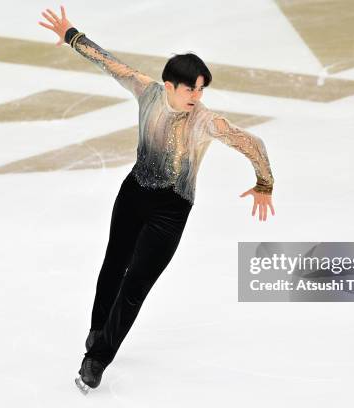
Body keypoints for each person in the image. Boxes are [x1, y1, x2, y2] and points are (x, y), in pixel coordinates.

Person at [38, 5, 275, 394]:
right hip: (134, 194)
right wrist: (71, 35)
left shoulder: (205, 121)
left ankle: (96, 360)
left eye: (201, 89)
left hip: (172, 209)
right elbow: (108, 63)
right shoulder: (147, 91)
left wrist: (264, 183)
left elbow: (252, 143)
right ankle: (98, 331)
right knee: (113, 266)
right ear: (169, 85)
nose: (196, 97)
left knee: (135, 286)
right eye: (190, 89)